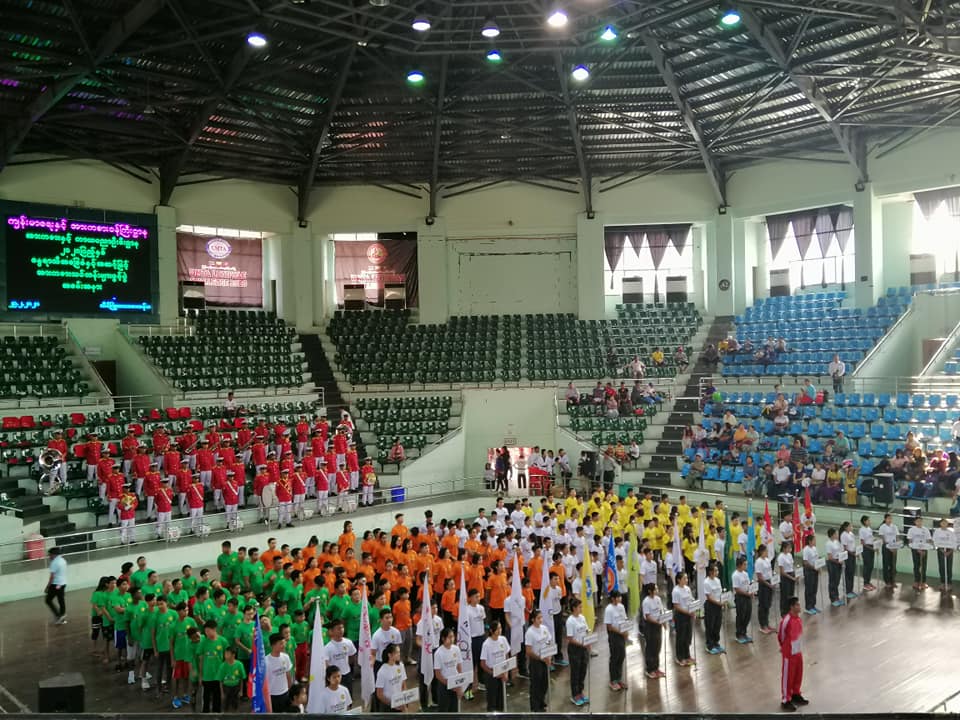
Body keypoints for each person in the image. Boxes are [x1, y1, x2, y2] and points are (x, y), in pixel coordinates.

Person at [778, 596, 808, 712]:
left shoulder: (798, 619)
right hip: (788, 652)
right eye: (797, 605)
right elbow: (781, 635)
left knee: (798, 673)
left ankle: (796, 693)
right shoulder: (786, 620)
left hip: (798, 650)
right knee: (787, 675)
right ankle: (786, 699)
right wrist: (784, 646)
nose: (799, 607)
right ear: (792, 607)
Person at [524, 609, 552, 711]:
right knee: (536, 685)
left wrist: (549, 654)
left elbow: (548, 640)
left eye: (541, 617)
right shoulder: (530, 633)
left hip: (545, 659)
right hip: (536, 662)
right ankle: (535, 707)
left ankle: (541, 701)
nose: (541, 620)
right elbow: (528, 651)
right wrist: (541, 658)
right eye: (538, 618)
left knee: (544, 683)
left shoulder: (544, 628)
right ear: (532, 619)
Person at [479, 620, 510, 712]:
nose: (500, 630)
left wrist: (506, 672)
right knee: (492, 699)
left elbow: (506, 655)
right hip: (491, 674)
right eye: (497, 629)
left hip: (502, 671)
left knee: (501, 698)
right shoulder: (486, 644)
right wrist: (493, 674)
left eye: (500, 628)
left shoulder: (503, 639)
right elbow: (483, 664)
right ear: (492, 631)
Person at [564, 598, 590, 705]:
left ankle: (580, 691)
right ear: (574, 608)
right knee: (576, 672)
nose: (581, 608)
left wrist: (589, 641)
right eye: (579, 607)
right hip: (575, 649)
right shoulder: (570, 621)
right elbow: (570, 638)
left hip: (584, 648)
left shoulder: (582, 618)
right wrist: (582, 644)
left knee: (583, 670)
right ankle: (575, 694)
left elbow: (586, 630)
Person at [433, 627, 463, 712]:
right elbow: (438, 674)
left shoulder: (456, 649)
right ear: (443, 638)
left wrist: (459, 685)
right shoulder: (438, 653)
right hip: (444, 685)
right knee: (444, 710)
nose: (452, 639)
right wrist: (449, 684)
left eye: (453, 636)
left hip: (455, 683)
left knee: (454, 709)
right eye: (449, 637)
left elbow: (459, 667)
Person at [604, 590, 628, 690]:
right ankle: (613, 680)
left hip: (622, 634)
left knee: (622, 655)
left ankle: (619, 678)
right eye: (617, 597)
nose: (619, 599)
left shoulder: (621, 607)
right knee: (615, 656)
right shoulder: (609, 609)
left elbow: (625, 619)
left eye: (620, 597)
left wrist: (626, 631)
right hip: (614, 635)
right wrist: (621, 632)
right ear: (613, 598)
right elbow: (609, 626)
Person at [641, 583, 666, 679]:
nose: (657, 590)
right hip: (650, 626)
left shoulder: (658, 599)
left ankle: (656, 668)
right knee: (651, 647)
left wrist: (663, 621)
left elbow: (661, 611)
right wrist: (657, 622)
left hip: (658, 625)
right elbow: (647, 617)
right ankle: (649, 669)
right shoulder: (646, 602)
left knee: (657, 646)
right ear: (650, 591)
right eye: (655, 589)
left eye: (657, 589)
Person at [265, 632, 293, 712]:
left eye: (284, 643)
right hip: (271, 695)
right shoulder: (265, 661)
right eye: (281, 643)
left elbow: (288, 674)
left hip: (284, 692)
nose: (284, 645)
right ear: (273, 645)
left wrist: (289, 689)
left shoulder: (286, 657)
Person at [671, 572, 695, 666]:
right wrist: (687, 612)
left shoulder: (688, 589)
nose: (687, 580)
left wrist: (693, 609)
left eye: (687, 578)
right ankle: (679, 657)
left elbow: (691, 600)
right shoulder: (676, 591)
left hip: (689, 615)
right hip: (680, 616)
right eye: (684, 578)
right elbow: (676, 606)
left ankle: (687, 655)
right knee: (681, 637)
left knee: (688, 636)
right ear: (679, 580)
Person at [374, 643, 406, 712]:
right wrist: (392, 704)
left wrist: (403, 701)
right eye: (397, 652)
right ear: (390, 655)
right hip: (387, 707)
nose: (399, 654)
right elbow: (379, 694)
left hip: (400, 703)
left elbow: (403, 685)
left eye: (399, 652)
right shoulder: (382, 671)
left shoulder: (401, 666)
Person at [703, 562, 725, 654]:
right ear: (710, 572)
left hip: (718, 605)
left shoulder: (718, 580)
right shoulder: (706, 582)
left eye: (717, 570)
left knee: (717, 624)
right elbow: (709, 597)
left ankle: (716, 642)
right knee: (710, 626)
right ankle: (709, 645)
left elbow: (719, 593)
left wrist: (723, 601)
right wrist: (718, 603)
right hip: (711, 606)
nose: (717, 572)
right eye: (716, 570)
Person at [732, 556, 754, 643]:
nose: (746, 566)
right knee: (741, 615)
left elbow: (748, 584)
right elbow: (737, 589)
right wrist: (747, 593)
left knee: (747, 615)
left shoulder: (745, 573)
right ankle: (739, 634)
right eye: (744, 564)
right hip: (740, 597)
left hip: (747, 596)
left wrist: (751, 591)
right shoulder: (735, 575)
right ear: (740, 565)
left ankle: (744, 632)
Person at [907, 515, 931, 591]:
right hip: (915, 550)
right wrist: (917, 549)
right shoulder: (911, 530)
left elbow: (928, 541)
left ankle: (923, 582)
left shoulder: (926, 530)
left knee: (923, 566)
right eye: (917, 521)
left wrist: (924, 550)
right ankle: (916, 581)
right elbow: (910, 541)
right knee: (916, 566)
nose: (919, 522)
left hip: (924, 550)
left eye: (920, 521)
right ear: (915, 522)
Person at [218, 646, 246, 712]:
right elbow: (220, 681)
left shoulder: (239, 664)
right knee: (225, 705)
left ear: (233, 655)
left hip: (236, 687)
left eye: (227, 654)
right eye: (225, 654)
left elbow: (242, 679)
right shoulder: (222, 666)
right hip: (226, 688)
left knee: (236, 704)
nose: (225, 656)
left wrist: (241, 690)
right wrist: (222, 693)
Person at [45, 546, 67, 625]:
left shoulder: (54, 563)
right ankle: (62, 617)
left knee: (48, 600)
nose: (49, 556)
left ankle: (59, 616)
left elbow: (52, 576)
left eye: (50, 555)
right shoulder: (63, 560)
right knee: (61, 600)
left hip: (56, 584)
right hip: (63, 583)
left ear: (54, 554)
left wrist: (47, 586)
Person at [877, 513, 899, 588]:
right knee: (886, 564)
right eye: (888, 518)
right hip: (886, 547)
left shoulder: (894, 526)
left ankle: (893, 580)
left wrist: (896, 546)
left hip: (894, 547)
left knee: (893, 565)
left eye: (891, 518)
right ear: (885, 519)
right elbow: (883, 538)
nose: (890, 520)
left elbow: (897, 536)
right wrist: (889, 547)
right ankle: (887, 581)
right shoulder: (882, 527)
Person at [801, 534, 820, 614]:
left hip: (815, 570)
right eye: (814, 540)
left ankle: (813, 605)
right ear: (810, 541)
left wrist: (819, 567)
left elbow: (817, 558)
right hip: (809, 571)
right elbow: (805, 562)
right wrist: (813, 567)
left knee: (814, 588)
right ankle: (808, 607)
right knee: (809, 588)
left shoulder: (814, 548)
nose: (815, 541)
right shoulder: (806, 549)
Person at [839, 521, 858, 600]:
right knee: (848, 573)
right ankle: (847, 591)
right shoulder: (843, 535)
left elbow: (853, 544)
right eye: (850, 526)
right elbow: (845, 547)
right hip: (848, 556)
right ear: (846, 527)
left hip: (853, 554)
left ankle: (851, 590)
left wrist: (856, 552)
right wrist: (852, 554)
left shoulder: (851, 534)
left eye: (851, 526)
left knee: (852, 573)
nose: (851, 527)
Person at [825, 528, 844, 607]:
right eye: (836, 533)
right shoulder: (828, 543)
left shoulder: (837, 542)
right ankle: (833, 598)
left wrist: (842, 559)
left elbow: (840, 551)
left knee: (837, 580)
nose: (837, 535)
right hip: (832, 563)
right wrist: (837, 562)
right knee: (833, 581)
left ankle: (837, 597)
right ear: (832, 535)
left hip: (838, 561)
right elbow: (829, 557)